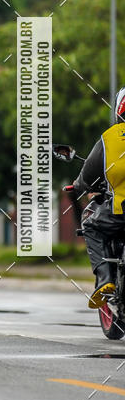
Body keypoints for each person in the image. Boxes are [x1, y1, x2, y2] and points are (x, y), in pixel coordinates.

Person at [74, 87, 125, 308]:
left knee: (90, 223)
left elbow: (86, 177)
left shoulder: (109, 138)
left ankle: (105, 279)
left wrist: (78, 186)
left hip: (119, 212)